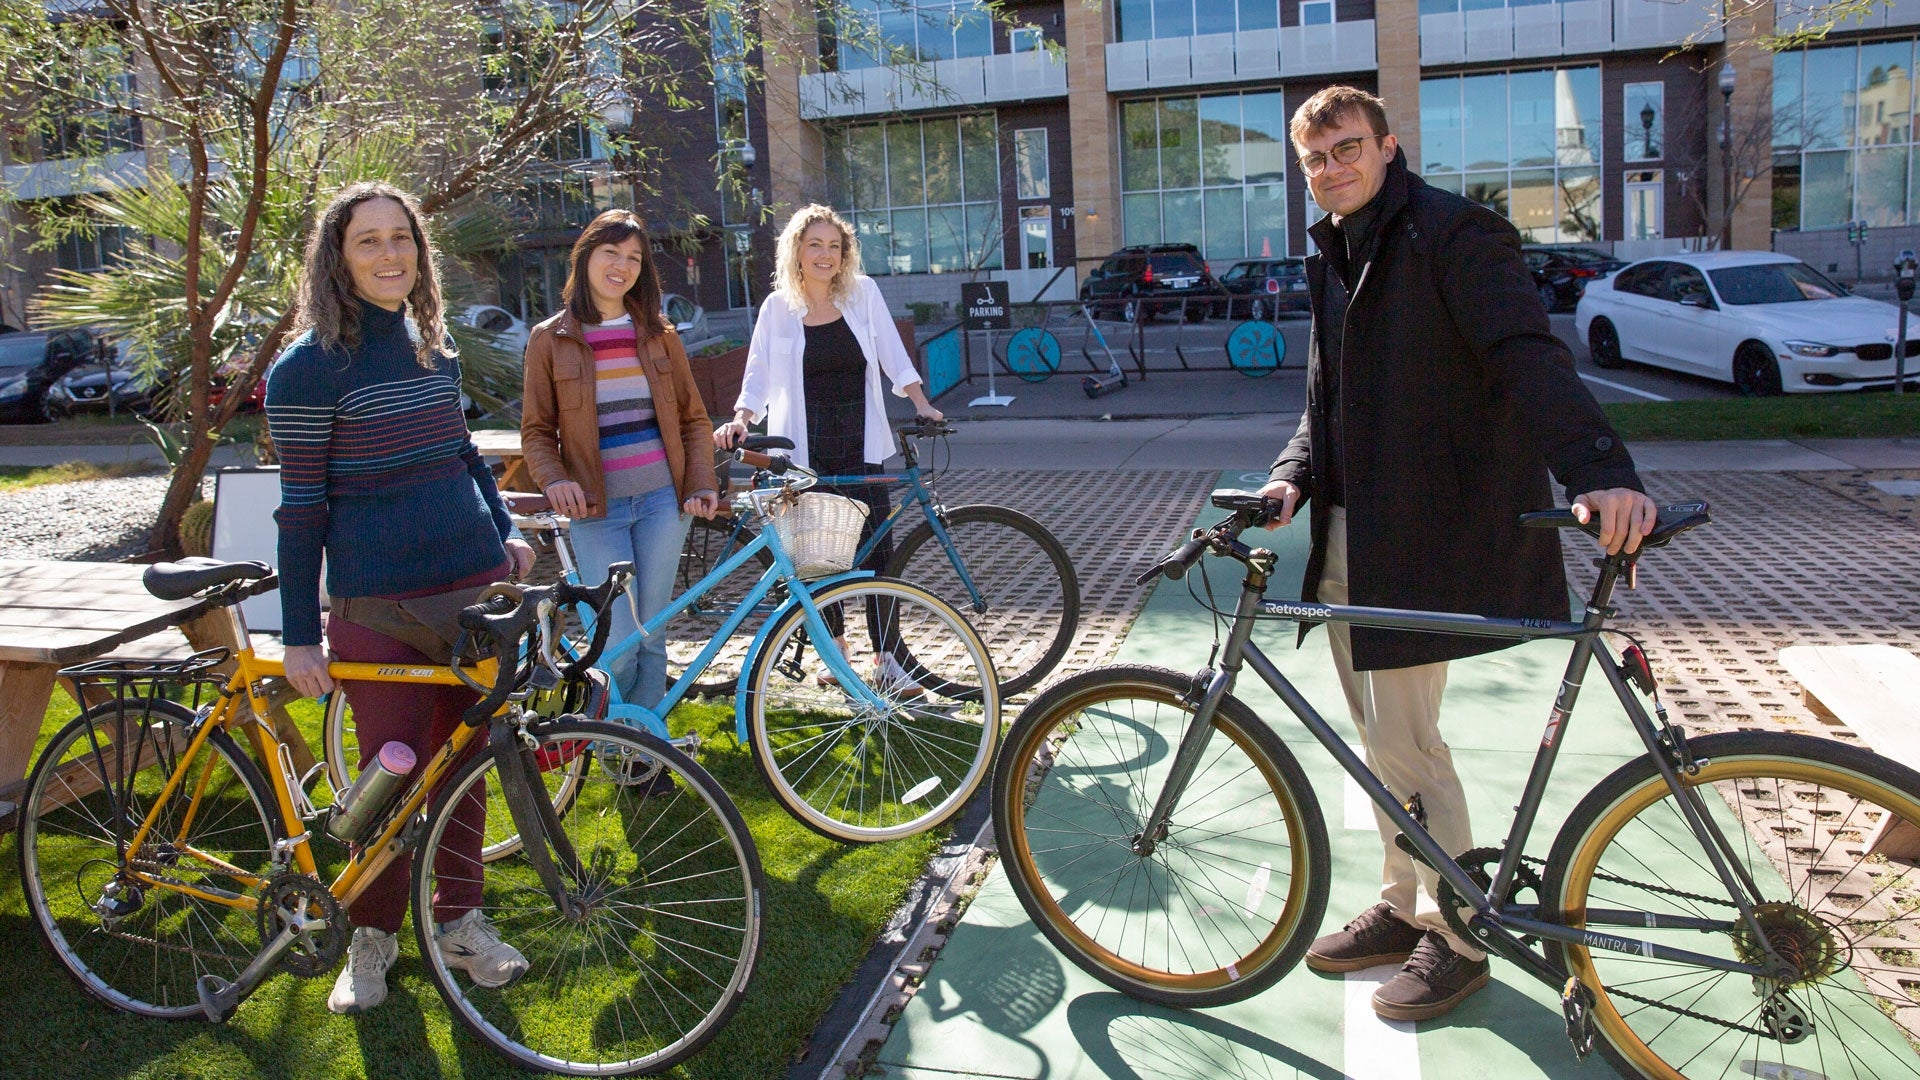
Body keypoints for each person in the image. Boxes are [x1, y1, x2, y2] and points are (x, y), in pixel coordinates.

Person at [1257, 86, 1658, 1021]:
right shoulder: (1336, 249)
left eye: (1348, 150)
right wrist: (1292, 476)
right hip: (1356, 528)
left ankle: (1458, 936)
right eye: (1315, 160)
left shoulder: (1452, 232)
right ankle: (1404, 906)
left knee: (1407, 743)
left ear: (1389, 147)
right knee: (1379, 744)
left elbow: (1525, 352)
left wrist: (1599, 469)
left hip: (1426, 531)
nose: (1332, 170)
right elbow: (1330, 399)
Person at [266, 181, 538, 1017]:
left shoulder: (433, 344)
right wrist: (299, 635)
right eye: (368, 242)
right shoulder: (307, 371)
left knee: (466, 764)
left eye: (401, 239)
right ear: (337, 261)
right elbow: (301, 509)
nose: (390, 255)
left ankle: (459, 919)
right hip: (374, 609)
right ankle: (372, 936)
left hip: (471, 591)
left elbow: (460, 453)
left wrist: (506, 532)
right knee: (389, 781)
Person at [713, 204, 943, 682]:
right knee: (817, 557)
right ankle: (835, 656)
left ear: (845, 254)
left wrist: (920, 402)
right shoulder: (778, 308)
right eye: (815, 245)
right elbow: (756, 373)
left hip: (861, 443)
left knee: (879, 552)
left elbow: (892, 355)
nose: (825, 255)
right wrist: (741, 418)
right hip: (804, 448)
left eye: (834, 246)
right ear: (797, 251)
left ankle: (887, 660)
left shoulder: (863, 294)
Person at [520, 209, 720, 709]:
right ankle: (610, 741)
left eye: (634, 256)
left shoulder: (659, 333)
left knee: (651, 633)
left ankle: (645, 755)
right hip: (596, 510)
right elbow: (537, 431)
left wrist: (701, 482)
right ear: (585, 256)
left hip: (661, 503)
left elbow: (694, 419)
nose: (622, 265)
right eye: (611, 252)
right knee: (616, 640)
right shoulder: (550, 339)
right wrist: (553, 480)